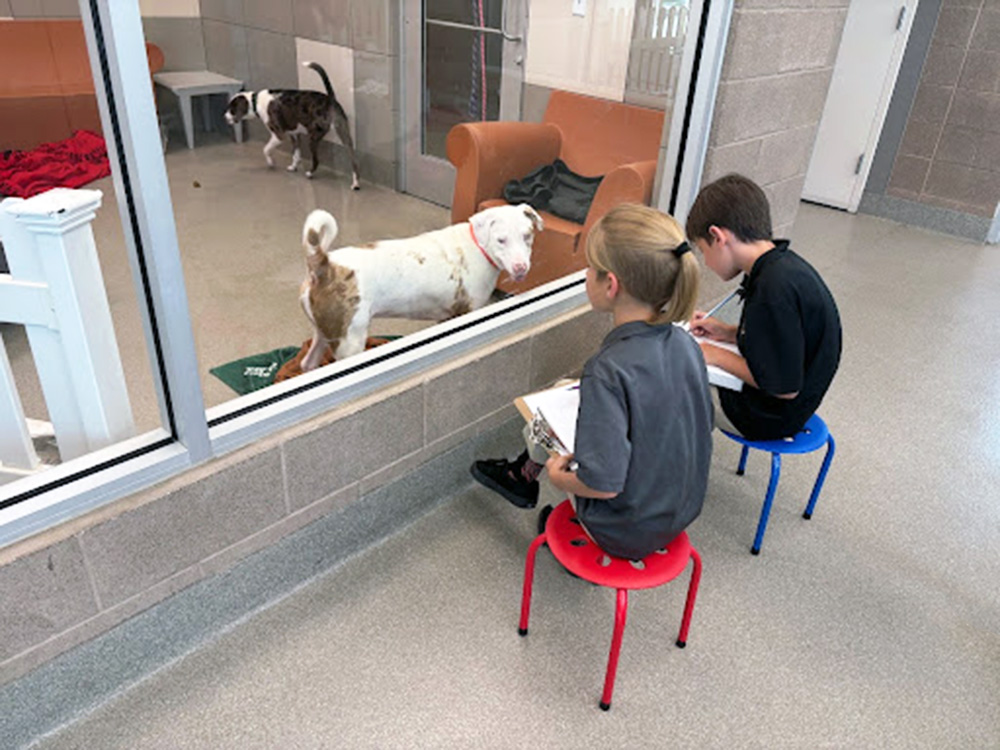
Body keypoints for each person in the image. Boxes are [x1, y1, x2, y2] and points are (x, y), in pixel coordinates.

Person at [472, 203, 713, 560]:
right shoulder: (684, 342)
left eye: (589, 267)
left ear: (611, 285)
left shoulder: (607, 370)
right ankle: (523, 472)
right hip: (681, 509)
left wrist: (558, 478)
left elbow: (603, 483)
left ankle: (530, 476)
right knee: (563, 392)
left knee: (549, 419)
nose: (585, 274)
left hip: (624, 530)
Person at [686, 173, 842, 440]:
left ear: (718, 237)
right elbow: (783, 340)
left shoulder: (773, 289)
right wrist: (727, 332)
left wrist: (713, 354)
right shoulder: (780, 266)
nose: (707, 263)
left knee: (670, 382)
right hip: (789, 406)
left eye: (703, 250)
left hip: (768, 417)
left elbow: (783, 388)